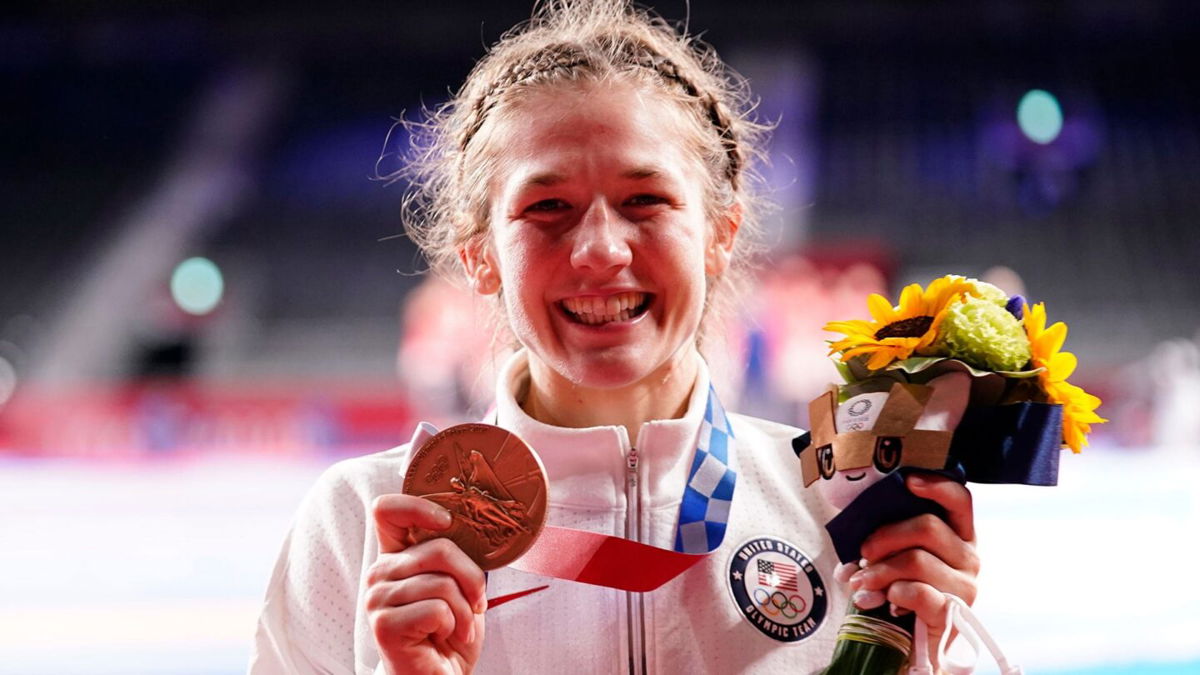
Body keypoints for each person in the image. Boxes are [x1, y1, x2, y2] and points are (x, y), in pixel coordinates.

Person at [249, 1, 980, 673]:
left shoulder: (841, 506)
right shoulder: (367, 521)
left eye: (644, 200)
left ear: (720, 235)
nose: (601, 248)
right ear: (478, 255)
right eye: (548, 206)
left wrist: (937, 654)